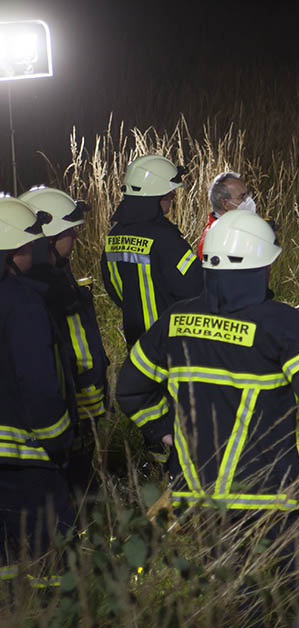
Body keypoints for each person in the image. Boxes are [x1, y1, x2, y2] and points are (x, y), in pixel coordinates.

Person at [115, 210, 299, 628]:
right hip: (280, 490)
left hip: (203, 495)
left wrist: (163, 432)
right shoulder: (282, 325)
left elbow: (130, 389)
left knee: (231, 584)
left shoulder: (173, 323)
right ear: (261, 267)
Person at [19, 186, 109, 502]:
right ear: (48, 241)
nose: (75, 236)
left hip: (79, 407)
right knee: (76, 493)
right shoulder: (39, 295)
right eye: (69, 231)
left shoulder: (58, 276)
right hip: (65, 415)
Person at [0, 197, 73, 587]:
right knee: (52, 561)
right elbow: (40, 387)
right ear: (16, 251)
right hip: (28, 460)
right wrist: (60, 441)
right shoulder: (24, 304)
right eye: (29, 246)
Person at [102, 154, 203, 349]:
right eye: (169, 193)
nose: (173, 197)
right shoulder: (165, 238)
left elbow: (114, 288)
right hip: (169, 344)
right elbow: (195, 287)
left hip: (136, 341)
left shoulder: (112, 236)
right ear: (154, 195)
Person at [196, 171, 255, 262]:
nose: (248, 200)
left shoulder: (234, 228)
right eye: (241, 197)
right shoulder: (214, 239)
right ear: (225, 203)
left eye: (247, 195)